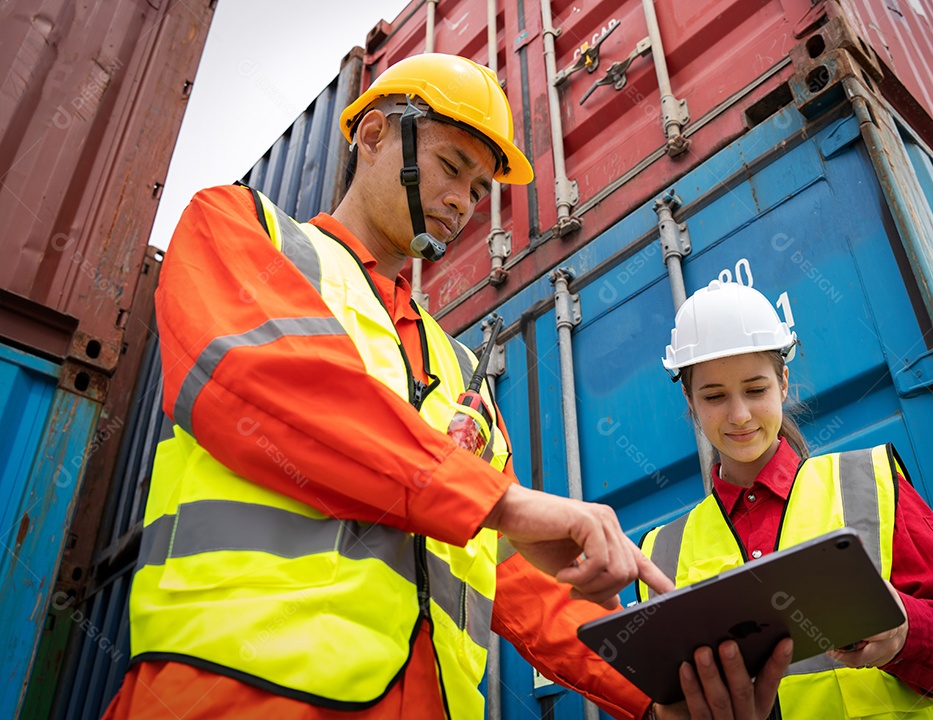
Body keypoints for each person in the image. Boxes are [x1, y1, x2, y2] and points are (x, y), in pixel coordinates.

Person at [101, 54, 783, 720]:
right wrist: (504, 503)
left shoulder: (460, 372)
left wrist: (664, 694)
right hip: (238, 693)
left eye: (481, 191)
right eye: (452, 168)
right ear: (372, 135)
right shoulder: (244, 229)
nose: (463, 203)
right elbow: (274, 391)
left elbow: (516, 579)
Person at [638, 280, 933, 720]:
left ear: (783, 381)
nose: (739, 415)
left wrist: (906, 633)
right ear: (689, 400)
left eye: (755, 389)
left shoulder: (869, 483)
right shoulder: (659, 553)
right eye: (714, 396)